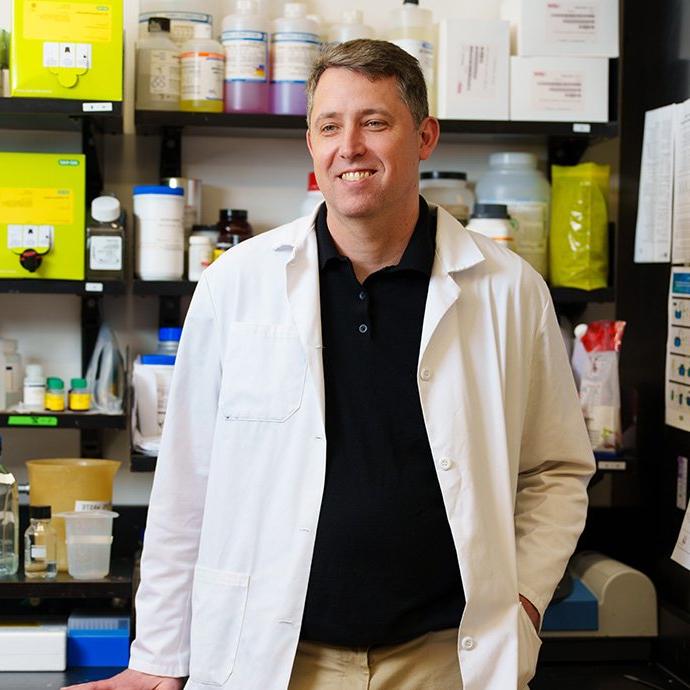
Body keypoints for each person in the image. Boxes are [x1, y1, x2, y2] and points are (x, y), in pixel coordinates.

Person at [63, 39, 594, 690]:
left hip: (446, 658)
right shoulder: (238, 284)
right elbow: (187, 487)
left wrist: (526, 599)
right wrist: (156, 659)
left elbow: (556, 468)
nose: (350, 147)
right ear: (310, 143)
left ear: (424, 136)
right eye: (329, 126)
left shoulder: (507, 289)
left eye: (375, 122)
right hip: (274, 657)